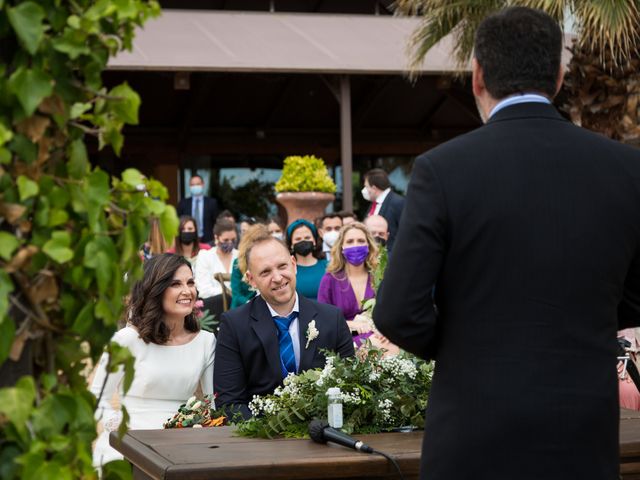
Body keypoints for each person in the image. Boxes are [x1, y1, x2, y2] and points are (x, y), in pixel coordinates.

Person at [373, 7, 640, 480]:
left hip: (473, 436)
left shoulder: (442, 170)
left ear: (477, 76)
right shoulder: (626, 169)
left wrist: (469, 347)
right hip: (581, 435)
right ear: (558, 78)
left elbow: (397, 311)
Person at [214, 225, 354, 419]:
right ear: (251, 280)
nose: (278, 278)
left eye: (282, 266)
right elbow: (229, 403)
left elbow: (350, 388)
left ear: (294, 265)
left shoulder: (332, 319)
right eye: (265, 272)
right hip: (262, 437)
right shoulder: (234, 325)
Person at [90, 254, 216, 467]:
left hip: (182, 441)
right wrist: (118, 427)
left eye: (191, 282)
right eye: (175, 284)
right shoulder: (126, 340)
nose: (187, 291)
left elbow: (211, 404)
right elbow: (97, 397)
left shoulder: (206, 341)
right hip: (129, 440)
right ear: (155, 290)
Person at [318, 222, 378, 347]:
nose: (355, 245)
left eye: (361, 241)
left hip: (379, 338)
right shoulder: (330, 280)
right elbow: (322, 318)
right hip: (343, 342)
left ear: (368, 246)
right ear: (342, 248)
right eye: (350, 241)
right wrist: (351, 324)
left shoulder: (378, 277)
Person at [195, 218, 238, 316]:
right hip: (213, 309)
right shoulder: (205, 256)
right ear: (216, 238)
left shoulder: (240, 256)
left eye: (233, 240)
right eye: (226, 240)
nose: (230, 243)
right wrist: (231, 293)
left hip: (238, 308)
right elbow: (204, 290)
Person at [362, 168, 404, 253]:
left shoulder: (398, 203)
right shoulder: (373, 204)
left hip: (390, 258)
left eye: (366, 187)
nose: (365, 190)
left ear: (374, 188)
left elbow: (404, 233)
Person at [286, 219, 327, 301]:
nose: (303, 241)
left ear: (314, 241)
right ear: (291, 245)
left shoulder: (329, 266)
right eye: (298, 239)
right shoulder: (287, 270)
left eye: (307, 237)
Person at [177, 174, 219, 245]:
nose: (195, 186)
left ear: (202, 184)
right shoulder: (183, 203)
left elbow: (216, 222)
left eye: (198, 184)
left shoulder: (212, 203)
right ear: (189, 186)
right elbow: (179, 221)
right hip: (188, 239)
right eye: (192, 185)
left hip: (208, 240)